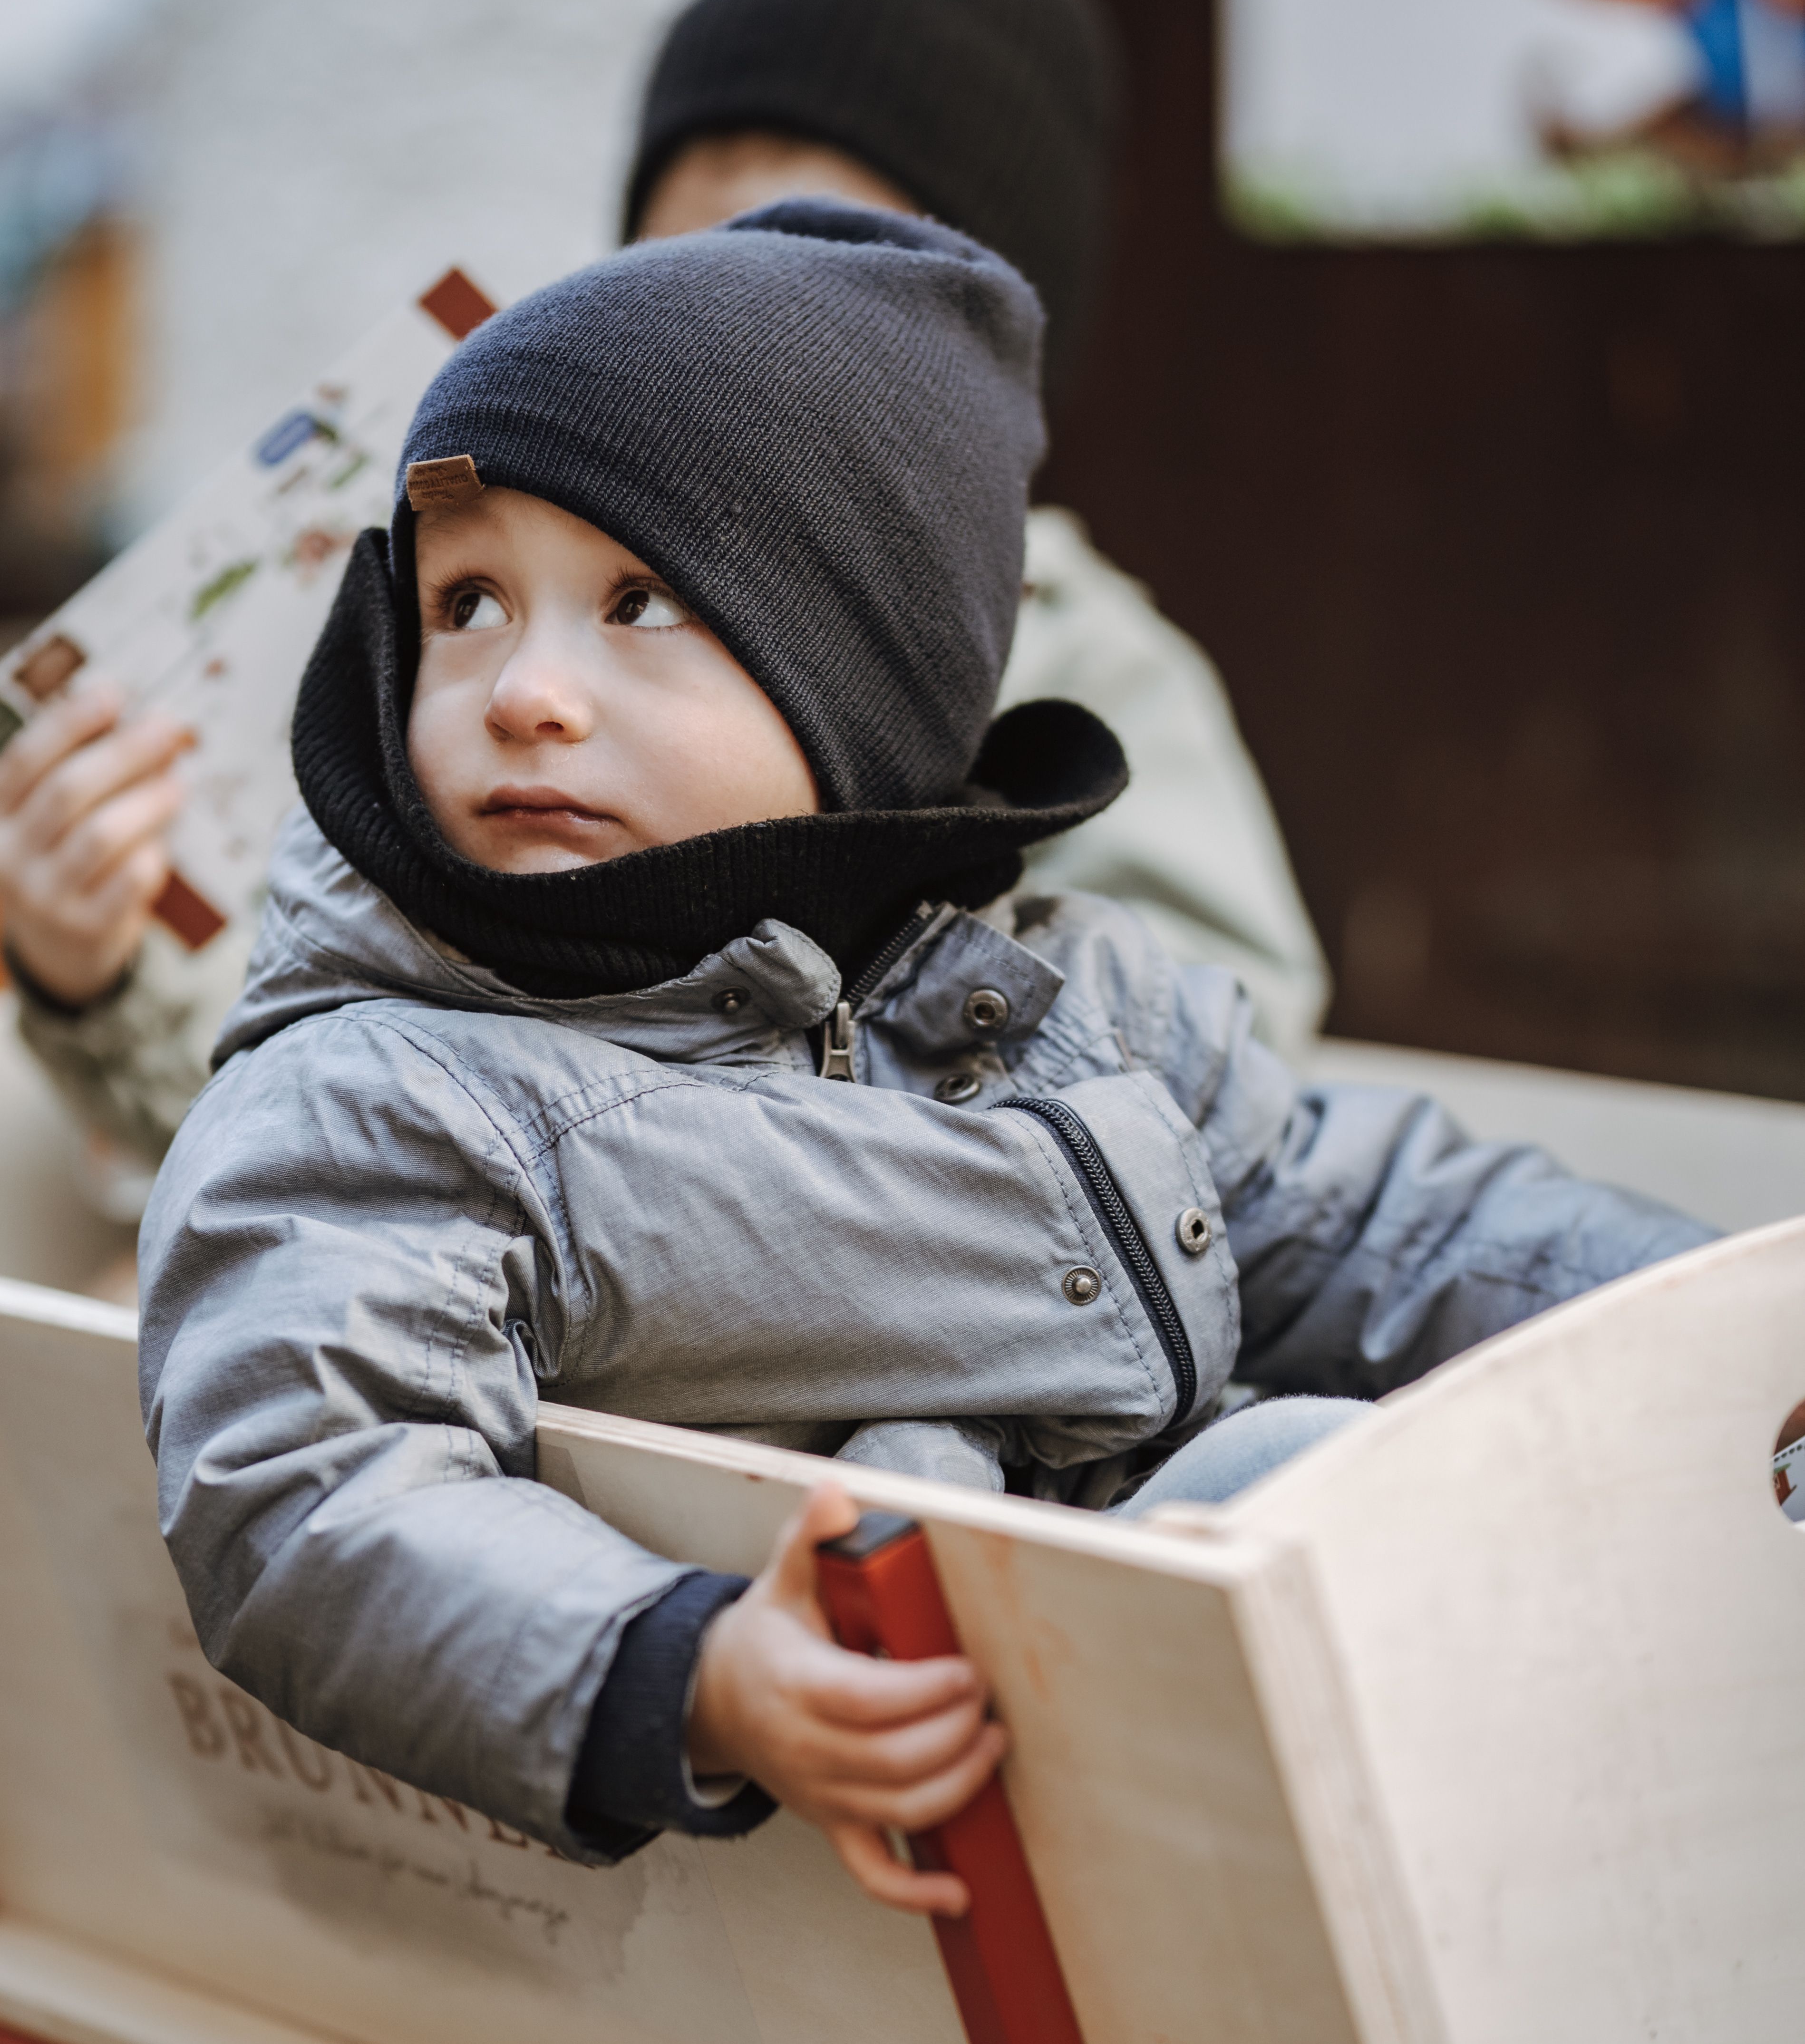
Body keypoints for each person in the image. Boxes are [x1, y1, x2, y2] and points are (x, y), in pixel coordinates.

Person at [140, 206, 1710, 1920]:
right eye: (468, 601)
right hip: (945, 1840)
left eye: (639, 599)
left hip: (1240, 1756)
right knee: (1297, 1530)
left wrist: (1717, 1324)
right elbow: (315, 1486)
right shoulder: (393, 1091)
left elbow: (1366, 1216)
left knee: (1396, 1498)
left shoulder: (1062, 995)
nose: (523, 690)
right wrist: (689, 1667)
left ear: (864, 686)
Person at [0, 0, 1327, 1205]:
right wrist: (104, 975)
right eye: (694, 262)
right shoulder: (489, 672)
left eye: (814, 277)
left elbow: (1213, 1139)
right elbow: (321, 1149)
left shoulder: (1087, 669)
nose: (532, 687)